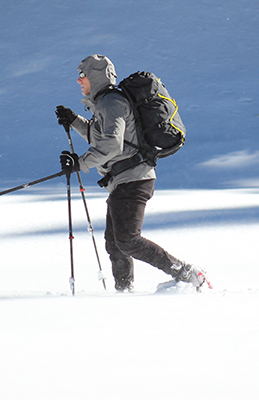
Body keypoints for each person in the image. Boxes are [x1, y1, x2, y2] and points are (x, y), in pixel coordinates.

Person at [55, 54, 207, 292]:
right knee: (115, 243)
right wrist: (74, 120)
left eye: (82, 75)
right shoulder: (105, 102)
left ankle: (186, 273)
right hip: (125, 180)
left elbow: (112, 145)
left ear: (95, 76)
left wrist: (80, 163)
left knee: (127, 240)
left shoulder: (110, 103)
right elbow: (101, 136)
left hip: (133, 179)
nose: (78, 81)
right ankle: (124, 292)